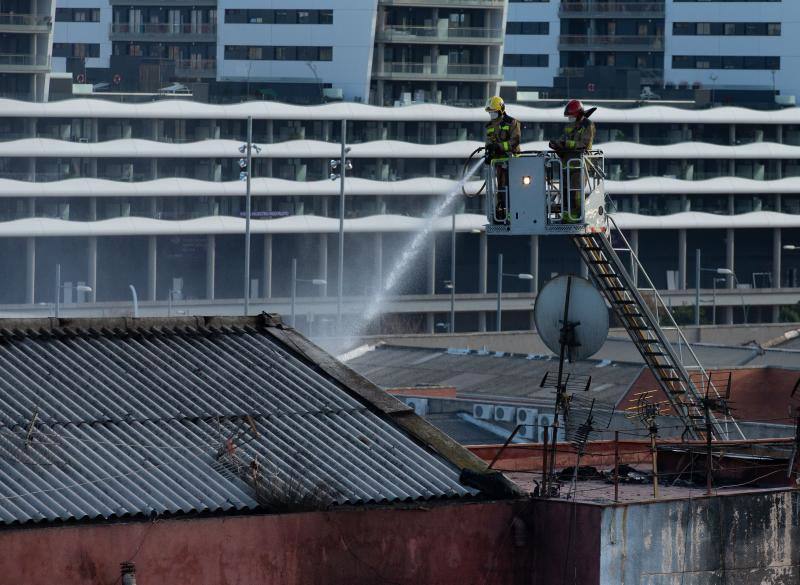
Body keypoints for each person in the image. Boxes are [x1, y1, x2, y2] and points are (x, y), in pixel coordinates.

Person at [549, 99, 596, 222]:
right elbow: (563, 139)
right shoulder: (569, 126)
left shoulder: (588, 125)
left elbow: (584, 144)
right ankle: (566, 214)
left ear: (579, 114)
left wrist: (566, 144)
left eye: (572, 116)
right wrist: (556, 144)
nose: (569, 119)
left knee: (576, 192)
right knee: (565, 191)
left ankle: (576, 215)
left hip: (580, 164)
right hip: (567, 164)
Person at [484, 96, 521, 222]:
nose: (491, 114)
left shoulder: (512, 122)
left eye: (493, 112)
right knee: (501, 188)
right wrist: (489, 153)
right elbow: (489, 142)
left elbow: (515, 141)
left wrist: (499, 147)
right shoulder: (489, 126)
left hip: (513, 162)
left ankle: (511, 213)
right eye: (490, 112)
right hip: (499, 163)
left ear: (501, 110)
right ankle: (502, 212)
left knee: (512, 188)